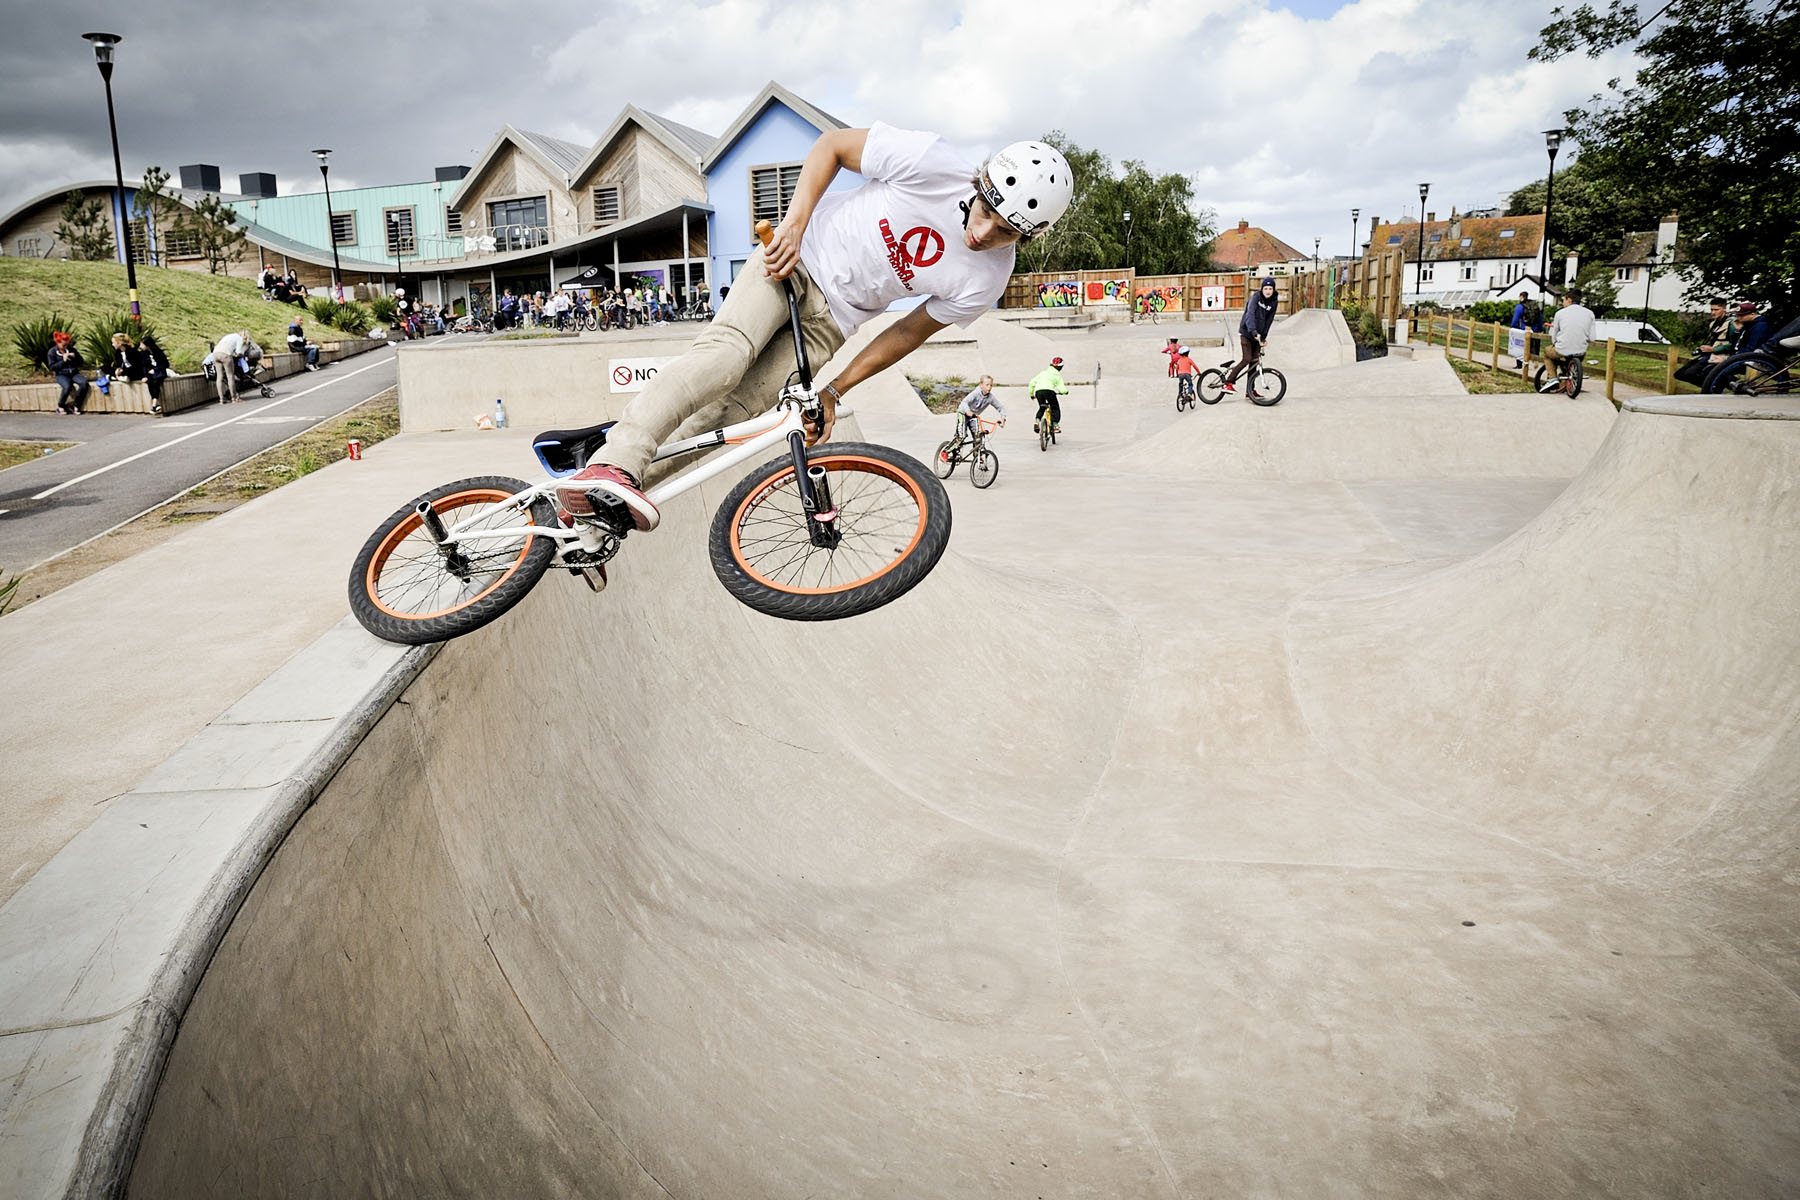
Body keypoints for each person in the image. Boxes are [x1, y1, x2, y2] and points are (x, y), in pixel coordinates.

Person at [555, 125, 1073, 533]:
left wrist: (834, 390)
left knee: (733, 416)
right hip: (793, 262)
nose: (983, 234)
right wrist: (795, 226)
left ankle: (604, 502)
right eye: (984, 212)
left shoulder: (988, 278)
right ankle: (615, 462)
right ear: (979, 185)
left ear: (1027, 236)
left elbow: (908, 333)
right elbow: (832, 147)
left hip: (835, 322)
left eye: (1005, 233)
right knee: (726, 357)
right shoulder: (932, 162)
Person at [1223, 277, 1279, 393]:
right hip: (1246, 332)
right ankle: (1227, 383)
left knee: (1254, 362)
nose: (1268, 291)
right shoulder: (1256, 297)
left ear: (1273, 290)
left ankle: (1250, 391)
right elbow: (1250, 315)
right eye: (1266, 288)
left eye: (1270, 289)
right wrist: (1253, 331)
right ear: (1262, 289)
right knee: (1247, 358)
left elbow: (1269, 320)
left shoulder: (1274, 302)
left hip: (1257, 336)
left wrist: (1263, 337)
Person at [1676, 297, 1736, 385]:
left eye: (1716, 310)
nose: (1713, 312)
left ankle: (1715, 387)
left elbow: (1734, 345)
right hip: (1708, 354)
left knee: (1691, 373)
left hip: (1719, 355)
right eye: (1711, 309)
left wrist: (1714, 349)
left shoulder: (1731, 323)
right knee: (1679, 374)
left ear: (1724, 309)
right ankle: (1714, 387)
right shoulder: (1713, 324)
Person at [1542, 288, 1595, 385]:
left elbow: (1554, 334)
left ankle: (1552, 379)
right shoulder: (1590, 314)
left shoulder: (1560, 313)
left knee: (1547, 352)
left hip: (1562, 349)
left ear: (1569, 300)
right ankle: (1567, 381)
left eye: (1563, 300)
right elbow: (1592, 338)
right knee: (1570, 362)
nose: (1563, 303)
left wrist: (1555, 343)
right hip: (1580, 351)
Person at [954, 374, 1006, 443]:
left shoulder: (990, 398)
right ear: (981, 385)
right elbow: (964, 402)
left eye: (991, 385)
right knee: (961, 436)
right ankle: (946, 451)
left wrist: (1003, 418)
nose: (989, 387)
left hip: (974, 416)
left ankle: (977, 453)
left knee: (978, 436)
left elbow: (1000, 407)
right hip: (963, 413)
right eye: (987, 385)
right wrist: (967, 411)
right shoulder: (976, 393)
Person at [46, 331, 88, 414]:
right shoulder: (52, 352)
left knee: (84, 383)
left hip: (73, 372)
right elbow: (52, 367)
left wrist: (75, 357)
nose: (66, 346)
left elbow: (81, 362)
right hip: (62, 374)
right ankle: (61, 406)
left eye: (67, 344)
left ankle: (75, 405)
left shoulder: (71, 349)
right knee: (67, 387)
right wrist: (63, 361)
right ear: (58, 343)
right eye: (63, 345)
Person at [1029, 356, 1070, 436]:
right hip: (1049, 391)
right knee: (1055, 407)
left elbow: (1031, 383)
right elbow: (1061, 388)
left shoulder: (1043, 373)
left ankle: (1037, 420)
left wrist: (1031, 394)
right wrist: (1065, 392)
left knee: (1042, 407)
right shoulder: (1057, 375)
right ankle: (1055, 425)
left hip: (1038, 391)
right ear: (1060, 367)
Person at [209, 328, 252, 404]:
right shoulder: (239, 339)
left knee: (219, 377)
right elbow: (238, 352)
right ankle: (234, 398)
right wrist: (240, 355)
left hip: (216, 353)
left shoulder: (229, 336)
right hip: (225, 354)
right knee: (230, 376)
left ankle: (221, 399)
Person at [139, 332, 170, 414]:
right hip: (150, 373)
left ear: (147, 345)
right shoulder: (144, 354)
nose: (140, 347)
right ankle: (155, 404)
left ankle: (154, 404)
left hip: (159, 372)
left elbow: (165, 364)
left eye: (142, 345)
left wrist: (155, 369)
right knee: (150, 382)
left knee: (156, 382)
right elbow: (144, 366)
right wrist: (145, 375)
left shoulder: (158, 352)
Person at [1509, 289, 1540, 368]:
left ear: (1521, 297)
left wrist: (1512, 327)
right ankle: (1535, 360)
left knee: (1520, 347)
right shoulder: (1534, 306)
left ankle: (1520, 365)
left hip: (1523, 329)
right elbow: (1540, 318)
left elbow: (1515, 319)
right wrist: (1540, 328)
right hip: (1534, 329)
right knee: (1533, 345)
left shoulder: (1520, 307)